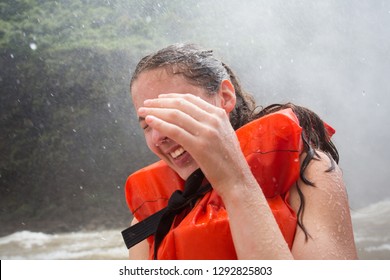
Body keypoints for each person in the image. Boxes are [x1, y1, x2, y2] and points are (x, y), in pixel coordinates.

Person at [123, 43, 358, 260]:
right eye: (147, 125)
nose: (159, 135)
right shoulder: (154, 214)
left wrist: (235, 183)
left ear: (224, 96)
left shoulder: (310, 171)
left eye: (174, 111)